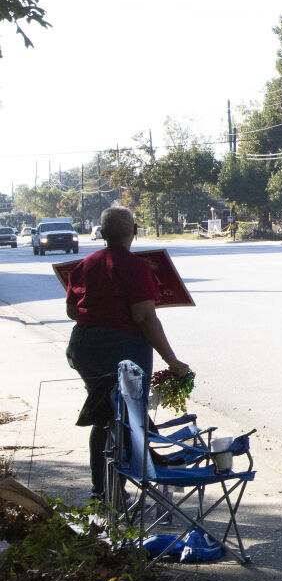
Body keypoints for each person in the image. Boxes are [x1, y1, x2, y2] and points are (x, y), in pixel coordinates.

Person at [63, 206, 190, 500]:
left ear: (102, 234)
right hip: (120, 346)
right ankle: (117, 490)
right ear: (134, 231)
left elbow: (72, 310)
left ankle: (104, 492)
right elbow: (144, 317)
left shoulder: (85, 265)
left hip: (84, 345)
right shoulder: (136, 267)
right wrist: (172, 360)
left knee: (103, 413)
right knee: (125, 416)